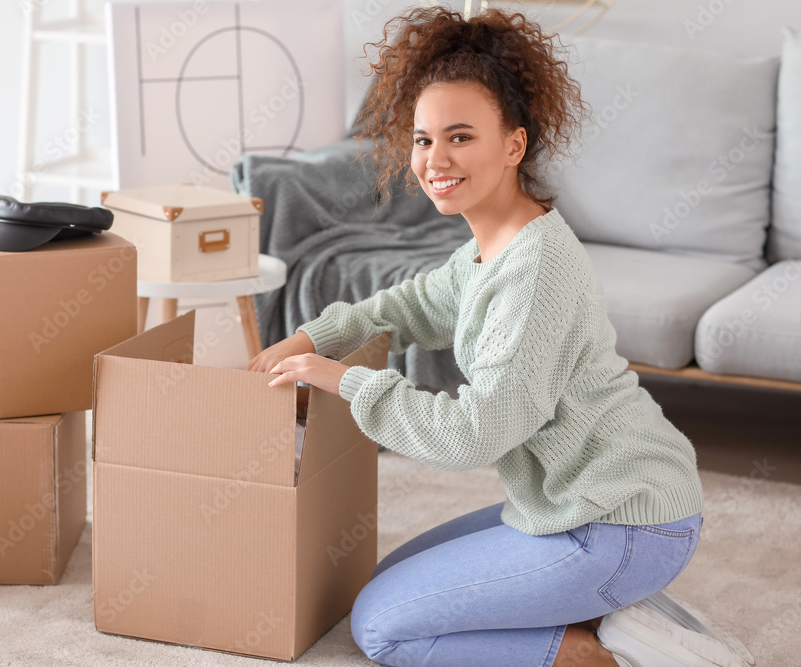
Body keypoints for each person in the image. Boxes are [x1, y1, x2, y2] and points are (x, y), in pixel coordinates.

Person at [247, 7, 751, 667]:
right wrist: (314, 333)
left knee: (384, 627)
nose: (435, 160)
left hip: (623, 520)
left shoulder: (533, 270)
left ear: (514, 144)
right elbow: (417, 300)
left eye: (460, 137)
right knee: (389, 580)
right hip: (574, 505)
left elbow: (472, 434)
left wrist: (338, 377)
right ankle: (619, 612)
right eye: (424, 139)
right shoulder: (495, 244)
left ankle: (603, 650)